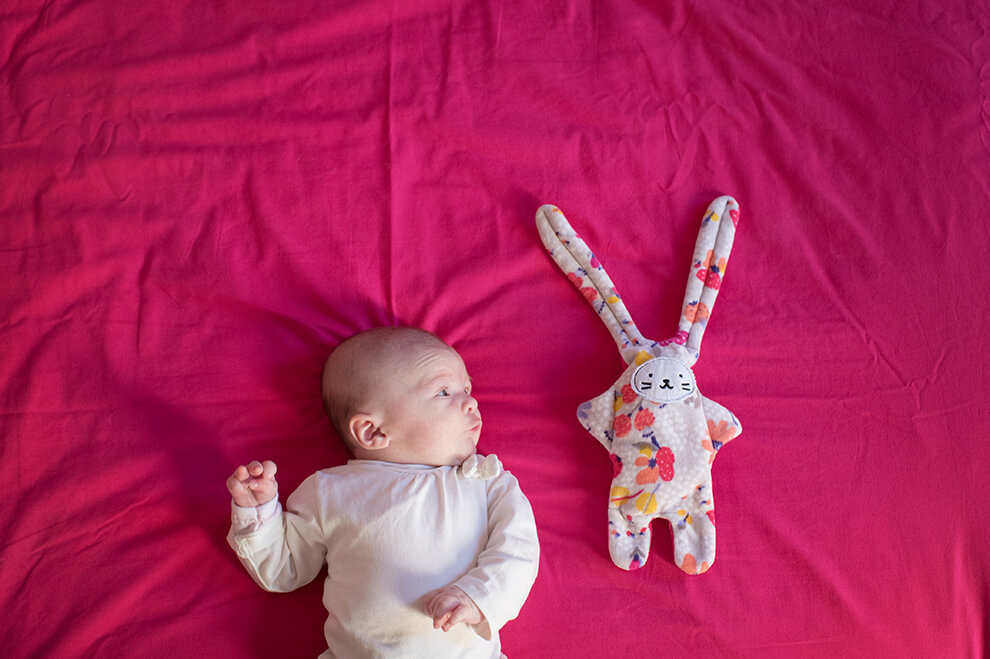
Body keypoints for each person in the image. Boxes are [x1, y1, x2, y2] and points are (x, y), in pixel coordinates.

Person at [226, 327, 540, 658]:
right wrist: (258, 514)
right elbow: (284, 569)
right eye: (445, 392)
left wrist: (478, 596)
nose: (471, 402)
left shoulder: (489, 482)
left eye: (467, 388)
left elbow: (518, 552)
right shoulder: (330, 490)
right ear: (373, 430)